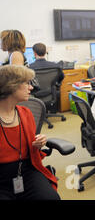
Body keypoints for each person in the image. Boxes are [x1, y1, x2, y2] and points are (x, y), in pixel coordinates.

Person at [0, 65, 60, 200]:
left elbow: (30, 150)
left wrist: (38, 143)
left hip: (26, 171)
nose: (31, 87)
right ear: (11, 85)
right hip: (1, 177)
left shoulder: (25, 113)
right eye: (27, 83)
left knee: (50, 198)